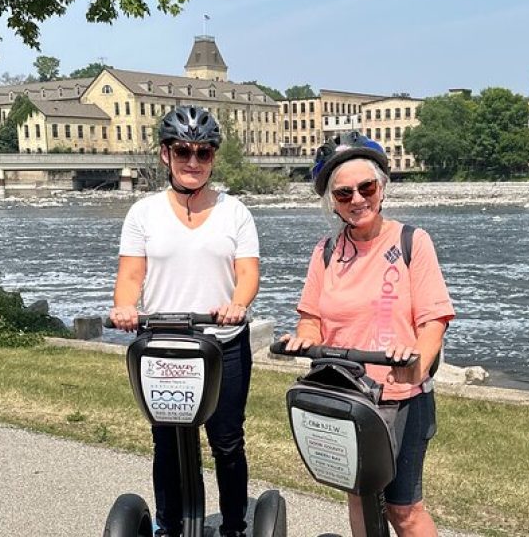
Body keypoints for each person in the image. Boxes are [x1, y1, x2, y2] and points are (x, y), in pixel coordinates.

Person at [282, 131, 455, 537]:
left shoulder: (412, 241)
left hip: (401, 397)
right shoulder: (325, 251)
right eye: (344, 194)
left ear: (381, 187)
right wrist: (305, 336)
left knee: (403, 508)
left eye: (366, 187)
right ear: (333, 203)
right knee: (359, 495)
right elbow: (311, 317)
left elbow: (434, 320)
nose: (357, 199)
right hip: (346, 393)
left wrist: (416, 362)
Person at [110, 105, 259, 537]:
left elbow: (247, 273)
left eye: (203, 153)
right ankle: (168, 527)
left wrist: (237, 303)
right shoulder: (143, 213)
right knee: (168, 443)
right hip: (163, 344)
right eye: (183, 152)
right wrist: (124, 307)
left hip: (223, 344)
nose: (193, 161)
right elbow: (131, 275)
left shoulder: (236, 212)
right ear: (165, 155)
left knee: (227, 443)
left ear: (213, 156)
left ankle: (234, 527)